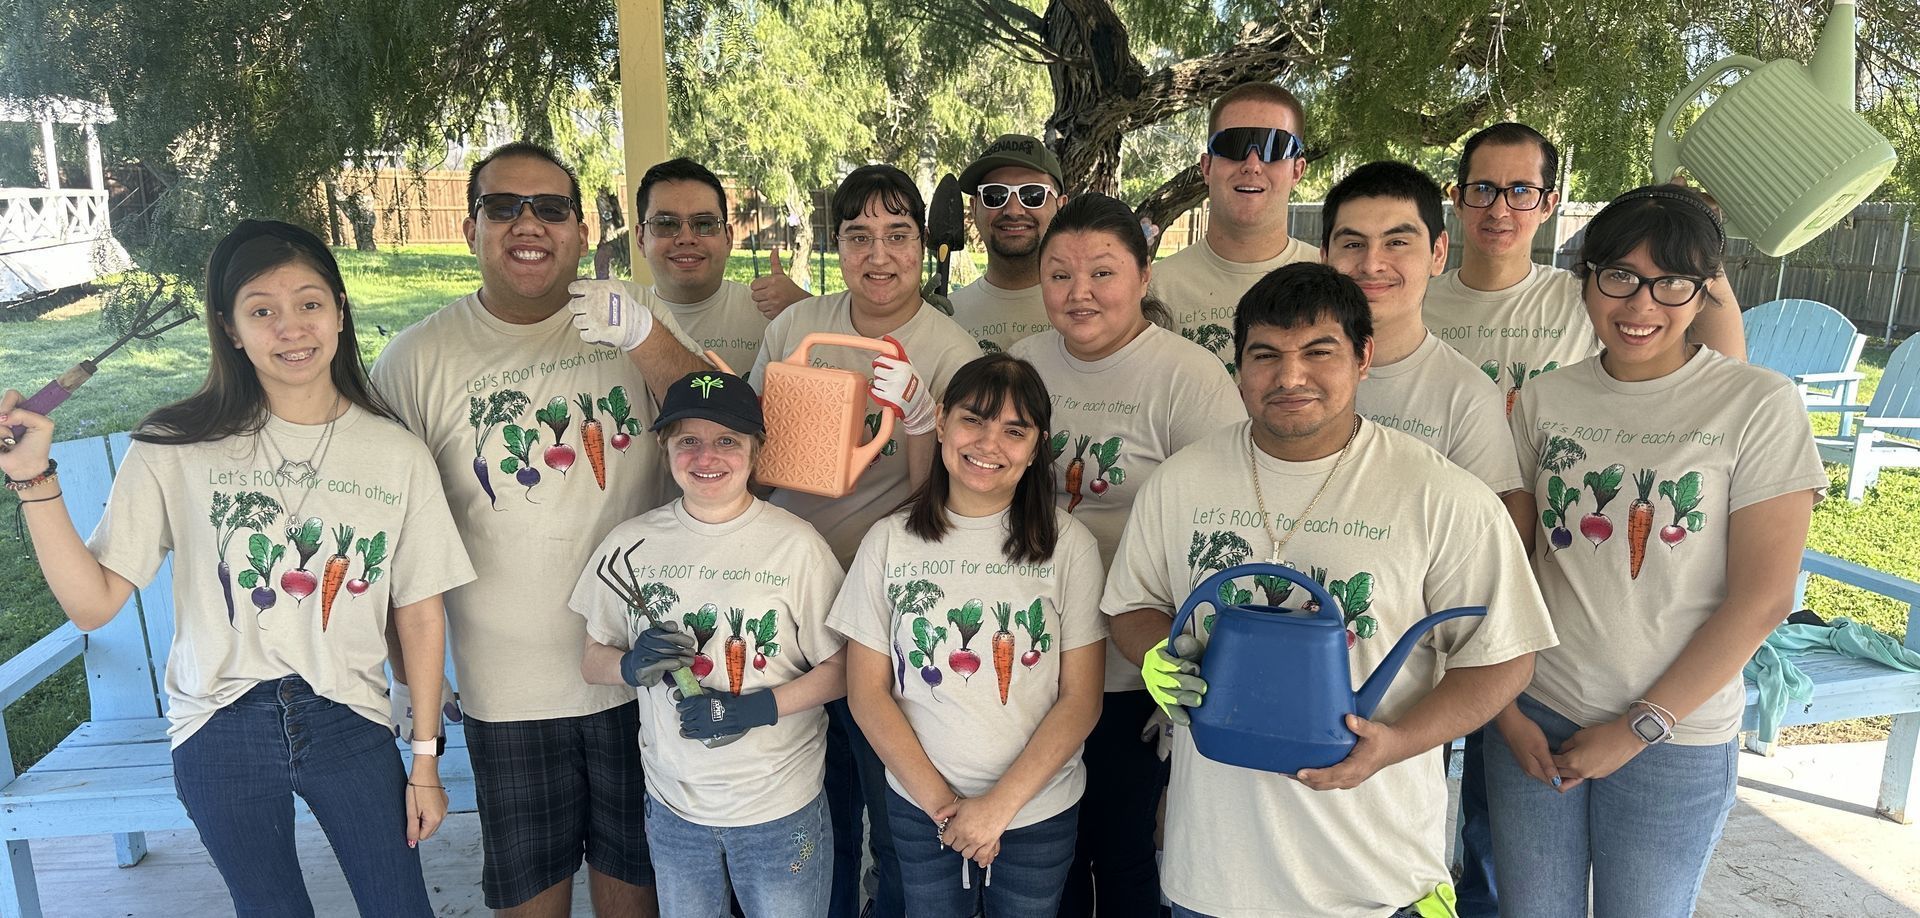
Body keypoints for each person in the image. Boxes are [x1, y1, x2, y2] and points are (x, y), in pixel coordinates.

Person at [0, 220, 472, 917]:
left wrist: (426, 761)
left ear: (340, 312)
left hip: (350, 719)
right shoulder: (174, 445)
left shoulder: (396, 453)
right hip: (219, 723)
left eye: (310, 303)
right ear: (230, 328)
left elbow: (420, 612)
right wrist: (33, 477)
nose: (291, 327)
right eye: (262, 310)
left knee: (400, 906)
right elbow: (94, 605)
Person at [1103, 262, 1557, 917]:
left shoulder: (1438, 495)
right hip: (1215, 880)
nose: (1290, 378)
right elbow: (1133, 604)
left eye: (1319, 352)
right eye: (1266, 355)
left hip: (1377, 882)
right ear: (1238, 367)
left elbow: (1506, 656)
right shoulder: (1183, 481)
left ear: (1363, 356)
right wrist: (1157, 652)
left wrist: (1397, 743)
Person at [370, 141, 706, 918]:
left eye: (551, 208)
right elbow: (389, 541)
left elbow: (724, 424)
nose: (529, 224)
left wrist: (646, 335)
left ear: (582, 233)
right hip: (506, 691)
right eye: (504, 206)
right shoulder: (417, 359)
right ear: (471, 227)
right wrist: (402, 674)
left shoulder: (624, 326)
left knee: (639, 887)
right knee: (530, 899)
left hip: (639, 669)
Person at [1487, 185, 1826, 917]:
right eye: (1619, 277)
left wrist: (1641, 727)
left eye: (1670, 283)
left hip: (1675, 735)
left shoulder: (1758, 404)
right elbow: (1507, 563)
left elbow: (1763, 599)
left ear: (1704, 290)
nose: (1641, 305)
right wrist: (1506, 709)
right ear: (1587, 280)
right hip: (1538, 715)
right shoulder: (1547, 400)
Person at [749, 162, 980, 918]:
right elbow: (752, 454)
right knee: (805, 801)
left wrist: (921, 419)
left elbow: (952, 507)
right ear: (836, 244)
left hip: (885, 616)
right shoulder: (795, 329)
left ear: (923, 244)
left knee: (889, 805)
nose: (878, 256)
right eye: (858, 237)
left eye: (897, 235)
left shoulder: (951, 352)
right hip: (788, 605)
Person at [1006, 192, 1241, 918]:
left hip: (1134, 661)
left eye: (1102, 273)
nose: (1080, 293)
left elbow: (1223, 525)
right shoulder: (1024, 364)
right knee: (1052, 846)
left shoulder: (1187, 377)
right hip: (1035, 653)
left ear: (1144, 278)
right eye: (1059, 275)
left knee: (1124, 846)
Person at [1319, 159, 1536, 916]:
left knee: (1382, 856)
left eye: (1398, 242)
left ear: (1438, 254)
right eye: (1351, 243)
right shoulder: (1284, 373)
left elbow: (1496, 544)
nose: (1372, 264)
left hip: (1401, 687)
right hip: (1285, 661)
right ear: (1324, 256)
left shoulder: (1462, 397)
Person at [831, 353, 1106, 917]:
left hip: (1037, 809)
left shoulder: (1070, 545)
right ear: (940, 422)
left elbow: (1081, 699)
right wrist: (944, 808)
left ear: (1037, 448)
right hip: (919, 807)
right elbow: (866, 692)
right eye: (973, 420)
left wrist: (995, 810)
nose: (989, 443)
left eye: (1014, 430)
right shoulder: (888, 542)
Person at [572, 367, 846, 918]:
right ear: (664, 447)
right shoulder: (630, 545)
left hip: (779, 805)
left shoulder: (796, 546)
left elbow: (842, 669)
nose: (706, 457)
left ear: (756, 448)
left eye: (727, 440)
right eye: (688, 441)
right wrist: (632, 665)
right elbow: (590, 660)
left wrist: (755, 707)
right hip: (675, 809)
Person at [1424, 123, 1745, 417]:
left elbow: (1722, 380)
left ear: (1548, 205)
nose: (1498, 210)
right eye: (1483, 189)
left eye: (1522, 191)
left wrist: (1697, 230)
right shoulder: (1414, 304)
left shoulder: (1591, 298)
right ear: (1458, 199)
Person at [1149, 82, 1319, 373]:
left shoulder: (1334, 282)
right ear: (1206, 167)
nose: (1252, 165)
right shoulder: (1153, 289)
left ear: (1297, 170)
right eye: (1233, 146)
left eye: (1273, 147)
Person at [637, 157, 775, 374]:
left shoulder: (771, 319)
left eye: (704, 224)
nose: (686, 238)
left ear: (728, 238)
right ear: (640, 239)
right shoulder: (620, 326)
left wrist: (802, 310)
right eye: (666, 224)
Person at [949, 134, 1067, 352]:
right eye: (995, 195)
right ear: (974, 208)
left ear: (1061, 206)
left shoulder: (1086, 310)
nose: (1013, 210)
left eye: (1032, 195)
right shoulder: (945, 317)